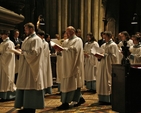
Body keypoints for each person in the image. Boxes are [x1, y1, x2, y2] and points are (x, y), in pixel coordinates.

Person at [14, 23, 45, 113]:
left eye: (26, 28)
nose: (25, 30)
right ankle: (26, 106)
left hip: (32, 67)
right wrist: (20, 52)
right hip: (25, 66)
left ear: (31, 29)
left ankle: (31, 107)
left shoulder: (36, 39)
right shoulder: (27, 39)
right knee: (25, 85)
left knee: (31, 85)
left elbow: (34, 53)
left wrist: (23, 53)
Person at [56, 26, 85, 110]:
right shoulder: (66, 41)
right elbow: (63, 51)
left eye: (68, 32)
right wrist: (59, 51)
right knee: (70, 83)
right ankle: (79, 99)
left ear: (72, 32)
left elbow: (75, 50)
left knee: (72, 83)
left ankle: (66, 102)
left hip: (73, 65)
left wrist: (65, 50)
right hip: (66, 65)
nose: (66, 34)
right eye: (66, 32)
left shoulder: (78, 40)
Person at [96, 31, 120, 105]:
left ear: (110, 37)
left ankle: (109, 98)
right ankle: (102, 98)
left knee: (108, 81)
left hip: (109, 66)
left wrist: (105, 56)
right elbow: (100, 53)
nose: (104, 38)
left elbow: (115, 57)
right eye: (104, 37)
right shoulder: (103, 45)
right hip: (103, 65)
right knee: (102, 80)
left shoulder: (113, 45)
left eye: (105, 37)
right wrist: (98, 56)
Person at [0, 30, 16, 101]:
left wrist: (1, 55)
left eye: (2, 34)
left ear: (6, 35)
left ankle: (9, 95)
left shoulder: (10, 43)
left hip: (7, 64)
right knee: (2, 79)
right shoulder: (2, 43)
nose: (1, 36)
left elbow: (9, 54)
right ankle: (3, 95)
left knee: (7, 78)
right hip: (2, 63)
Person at [37, 30, 53, 95]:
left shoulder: (45, 43)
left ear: (42, 36)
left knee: (44, 75)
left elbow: (44, 53)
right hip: (39, 61)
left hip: (44, 61)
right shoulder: (38, 42)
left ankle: (45, 89)